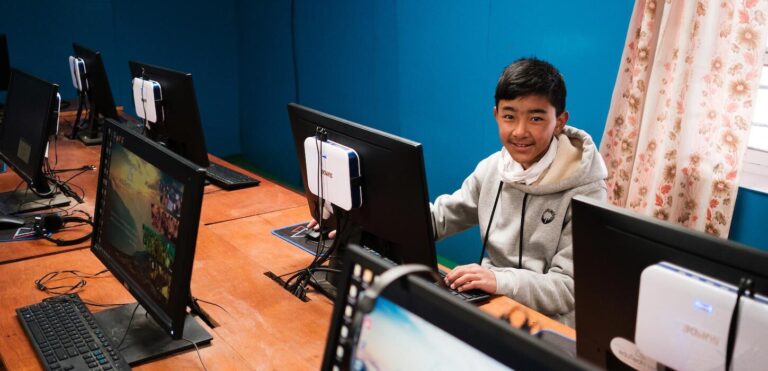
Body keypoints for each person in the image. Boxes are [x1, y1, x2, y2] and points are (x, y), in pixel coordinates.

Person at [435, 58, 607, 326]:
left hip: (548, 324)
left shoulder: (587, 191)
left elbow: (567, 288)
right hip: (493, 302)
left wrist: (499, 280)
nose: (519, 131)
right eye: (509, 116)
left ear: (560, 121)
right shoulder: (492, 168)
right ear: (496, 115)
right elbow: (442, 218)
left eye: (536, 118)